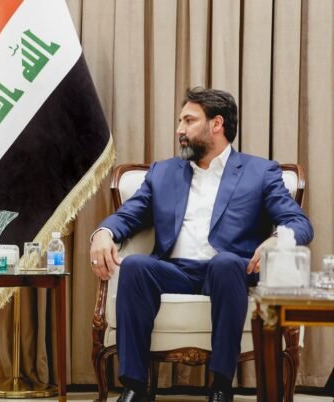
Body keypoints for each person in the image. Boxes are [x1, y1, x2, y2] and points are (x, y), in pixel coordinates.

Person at [89, 88, 313, 402]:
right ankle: (135, 388)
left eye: (189, 120)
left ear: (216, 124)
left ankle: (221, 386)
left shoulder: (260, 172)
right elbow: (129, 215)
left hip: (229, 273)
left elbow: (299, 223)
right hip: (174, 271)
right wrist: (102, 233)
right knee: (136, 265)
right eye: (180, 121)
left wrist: (276, 241)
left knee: (225, 263)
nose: (179, 129)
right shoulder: (163, 172)